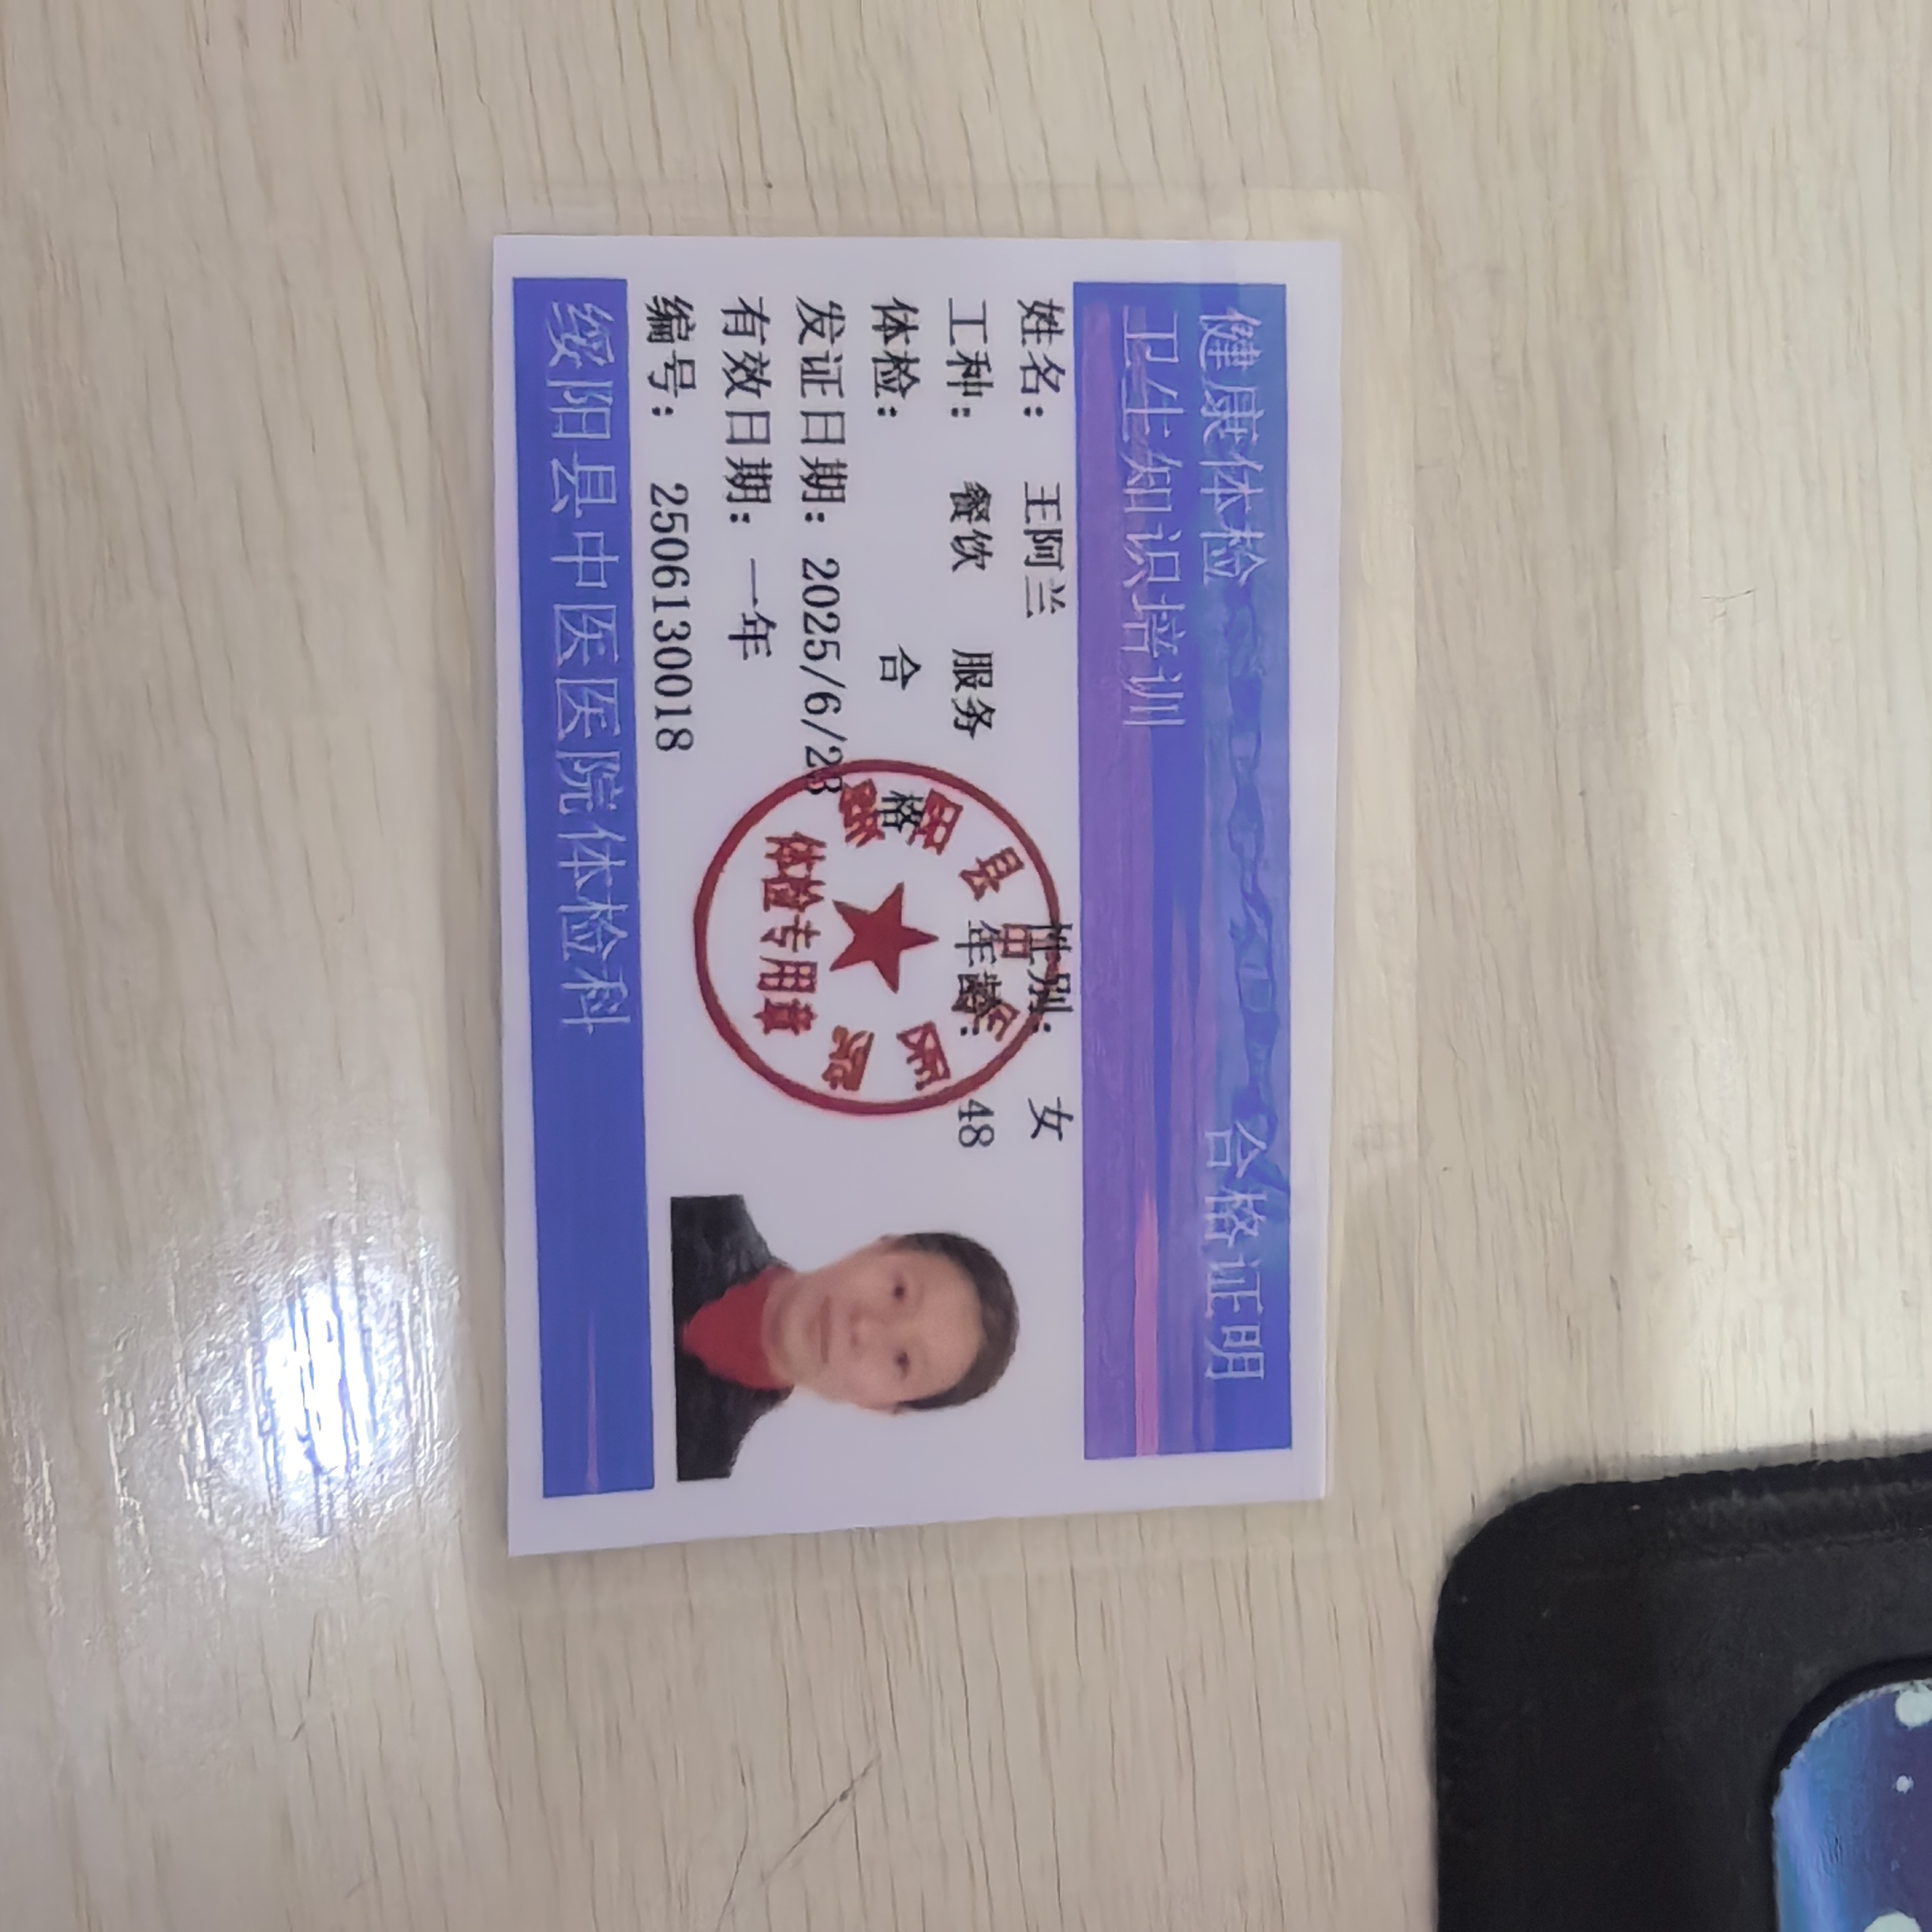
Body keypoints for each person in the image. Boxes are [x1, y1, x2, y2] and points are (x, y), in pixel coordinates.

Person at [670, 1195, 1019, 1481]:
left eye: (901, 1360)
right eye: (897, 1292)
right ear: (880, 1248)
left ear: (880, 1405)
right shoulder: (697, 1208)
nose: (864, 1328)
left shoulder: (697, 1463)